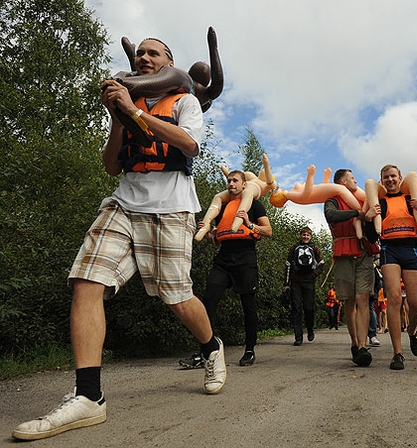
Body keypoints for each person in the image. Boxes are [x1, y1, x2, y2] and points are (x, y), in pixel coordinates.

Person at [12, 38, 226, 441]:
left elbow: (188, 144)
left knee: (176, 297)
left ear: (169, 64)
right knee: (86, 281)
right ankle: (89, 396)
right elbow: (112, 165)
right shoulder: (125, 103)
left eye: (154, 53)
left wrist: (134, 110)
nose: (144, 57)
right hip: (124, 203)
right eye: (139, 53)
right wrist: (120, 117)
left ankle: (211, 346)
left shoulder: (185, 101)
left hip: (171, 209)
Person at [185, 169, 272, 368]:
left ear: (244, 185)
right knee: (208, 300)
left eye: (235, 181)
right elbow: (217, 239)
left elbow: (268, 231)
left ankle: (249, 350)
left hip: (246, 258)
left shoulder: (254, 204)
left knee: (247, 305)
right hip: (224, 258)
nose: (231, 183)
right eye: (228, 180)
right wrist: (209, 237)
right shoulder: (222, 208)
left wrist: (249, 223)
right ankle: (207, 350)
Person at [364, 164, 417, 370]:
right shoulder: (380, 204)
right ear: (382, 181)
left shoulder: (410, 199)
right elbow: (370, 237)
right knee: (394, 298)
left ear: (400, 178)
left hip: (411, 250)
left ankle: (412, 331)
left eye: (393, 176)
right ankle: (397, 353)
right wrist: (368, 219)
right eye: (386, 177)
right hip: (389, 250)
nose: (390, 180)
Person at [323, 169, 375, 367]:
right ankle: (354, 342)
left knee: (363, 296)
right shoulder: (332, 199)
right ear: (343, 182)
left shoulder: (363, 198)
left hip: (363, 252)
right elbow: (331, 215)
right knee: (349, 300)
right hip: (344, 252)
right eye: (353, 178)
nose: (356, 181)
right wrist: (357, 213)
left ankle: (362, 346)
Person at [284, 227, 324, 345]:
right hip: (296, 282)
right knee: (296, 308)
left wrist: (314, 275)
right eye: (303, 234)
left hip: (309, 282)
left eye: (307, 235)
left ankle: (310, 329)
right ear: (300, 235)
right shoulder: (293, 248)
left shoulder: (315, 248)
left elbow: (321, 264)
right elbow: (287, 265)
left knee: (309, 308)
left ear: (310, 236)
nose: (305, 237)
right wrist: (286, 284)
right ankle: (298, 337)